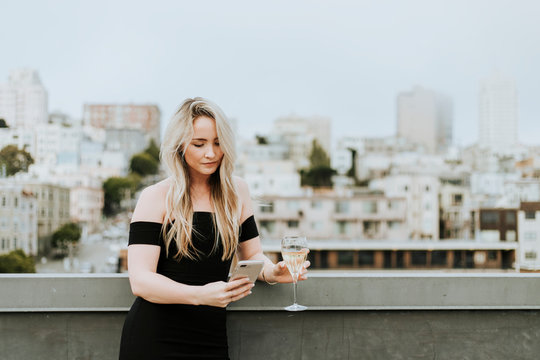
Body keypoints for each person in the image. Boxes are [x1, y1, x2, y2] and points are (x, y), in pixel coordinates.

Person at [119, 97, 309, 359]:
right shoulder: (155, 196)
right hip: (154, 339)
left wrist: (273, 272)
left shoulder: (237, 191)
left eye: (218, 143)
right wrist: (200, 295)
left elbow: (252, 255)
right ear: (179, 145)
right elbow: (141, 281)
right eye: (199, 144)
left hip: (212, 337)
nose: (211, 153)